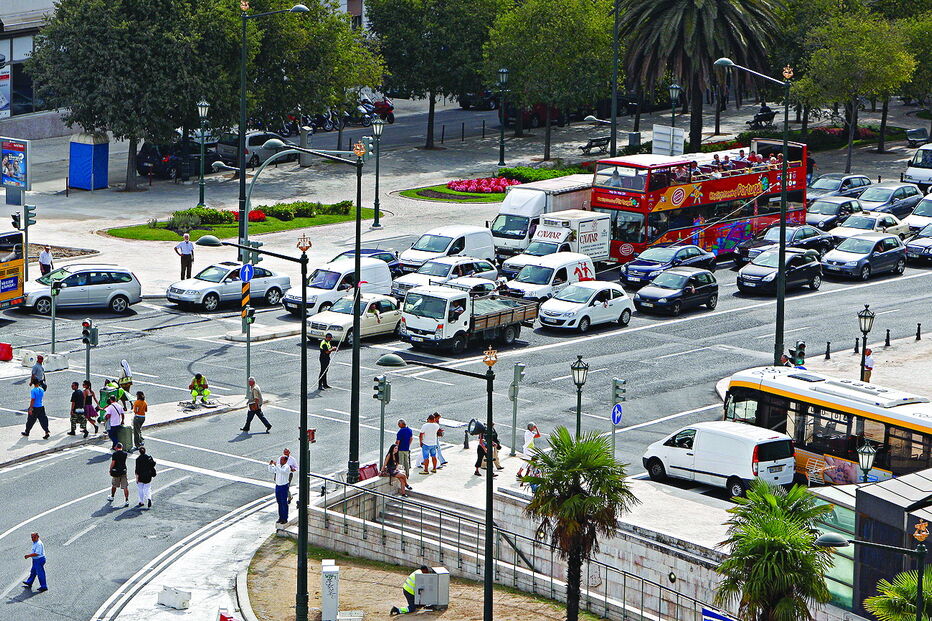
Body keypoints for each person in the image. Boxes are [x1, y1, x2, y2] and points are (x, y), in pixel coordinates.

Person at [269, 455, 291, 524]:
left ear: (285, 461)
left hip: (284, 486)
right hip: (278, 485)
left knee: (284, 502)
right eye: (280, 459)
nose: (280, 461)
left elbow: (282, 472)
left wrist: (276, 466)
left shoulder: (287, 467)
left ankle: (285, 518)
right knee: (279, 502)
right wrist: (270, 465)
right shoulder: (278, 466)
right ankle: (280, 517)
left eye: (282, 460)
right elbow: (271, 470)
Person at [108, 443, 130, 507]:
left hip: (116, 472)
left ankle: (112, 496)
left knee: (114, 485)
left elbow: (113, 463)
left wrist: (110, 470)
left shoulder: (115, 454)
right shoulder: (125, 454)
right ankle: (126, 500)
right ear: (122, 447)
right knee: (125, 486)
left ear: (117, 447)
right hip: (123, 471)